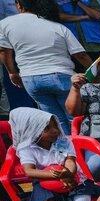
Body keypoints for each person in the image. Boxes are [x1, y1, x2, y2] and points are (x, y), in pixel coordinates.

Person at [11, 107, 100, 201]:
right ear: (32, 130)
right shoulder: (27, 148)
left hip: (70, 175)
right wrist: (54, 176)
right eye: (47, 128)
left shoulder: (62, 141)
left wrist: (68, 173)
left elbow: (70, 160)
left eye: (55, 126)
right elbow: (29, 171)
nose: (54, 130)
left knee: (82, 195)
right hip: (44, 180)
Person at [0, 0, 93, 134]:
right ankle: (81, 145)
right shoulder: (58, 27)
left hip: (31, 80)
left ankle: (65, 146)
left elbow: (4, 51)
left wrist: (12, 73)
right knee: (75, 118)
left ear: (19, 5)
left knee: (55, 121)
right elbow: (81, 55)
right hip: (61, 76)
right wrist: (95, 72)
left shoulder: (5, 24)